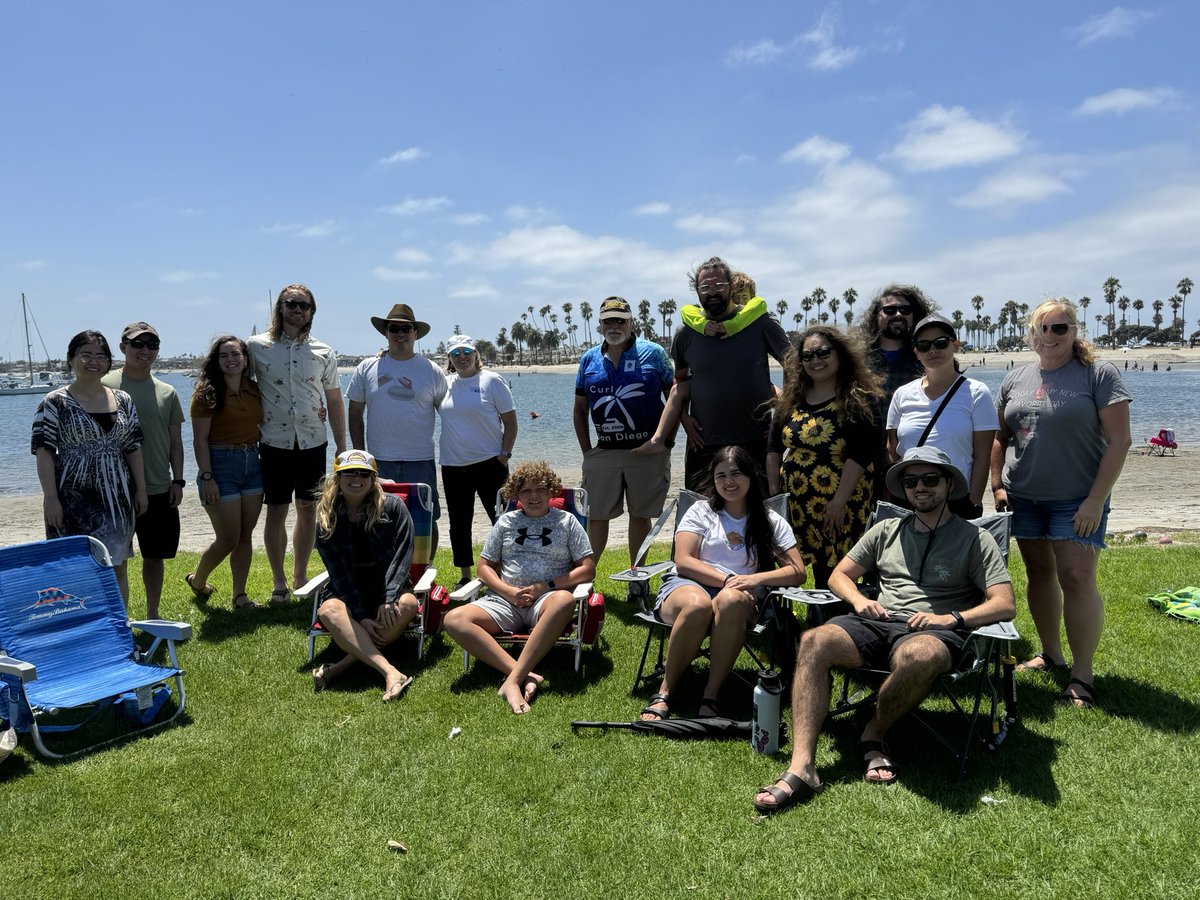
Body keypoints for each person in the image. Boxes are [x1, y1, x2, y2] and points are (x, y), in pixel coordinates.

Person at [753, 447, 1014, 813]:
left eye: (929, 479)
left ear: (949, 483)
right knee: (814, 640)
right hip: (877, 621)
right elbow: (839, 576)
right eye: (910, 481)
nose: (920, 488)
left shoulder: (974, 539)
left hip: (934, 630)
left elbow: (1004, 603)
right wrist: (859, 601)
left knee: (921, 655)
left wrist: (952, 619)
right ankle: (802, 766)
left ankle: (873, 731)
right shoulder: (886, 530)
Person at [991, 299, 1131, 709]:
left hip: (1077, 499)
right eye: (1043, 328)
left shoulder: (1098, 374)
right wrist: (996, 485)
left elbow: (1120, 441)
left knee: (1076, 578)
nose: (1051, 336)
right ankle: (1051, 652)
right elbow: (1002, 436)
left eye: (1061, 328)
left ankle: (1082, 673)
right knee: (1038, 573)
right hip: (1025, 496)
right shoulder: (1016, 377)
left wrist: (1094, 501)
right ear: (1031, 334)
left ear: (1074, 331)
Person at [639, 445, 806, 722]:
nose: (728, 482)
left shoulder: (769, 520)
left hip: (741, 597)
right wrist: (728, 579)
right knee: (697, 605)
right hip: (688, 585)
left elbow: (797, 571)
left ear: (751, 477)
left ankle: (711, 695)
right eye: (721, 476)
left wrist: (753, 580)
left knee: (731, 599)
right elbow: (684, 561)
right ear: (713, 480)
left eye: (736, 474)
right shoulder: (701, 512)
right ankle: (665, 691)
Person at [442, 461, 595, 715]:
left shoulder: (567, 521)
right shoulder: (505, 522)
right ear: (516, 494)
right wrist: (507, 591)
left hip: (544, 600)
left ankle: (512, 681)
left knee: (564, 601)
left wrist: (544, 586)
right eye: (526, 491)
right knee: (454, 619)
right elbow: (483, 567)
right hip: (505, 601)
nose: (534, 496)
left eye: (540, 489)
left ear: (551, 492)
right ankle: (523, 674)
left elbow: (587, 568)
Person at [32, 331, 148, 601]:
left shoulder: (123, 400)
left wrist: (140, 490)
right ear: (71, 359)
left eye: (100, 355)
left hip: (117, 496)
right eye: (86, 354)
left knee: (118, 565)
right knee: (74, 567)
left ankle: (118, 628)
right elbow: (44, 452)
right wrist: (50, 498)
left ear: (109, 361)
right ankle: (81, 630)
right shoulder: (54, 402)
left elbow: (133, 447)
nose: (93, 361)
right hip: (72, 497)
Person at [247, 284, 346, 604]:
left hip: (313, 442)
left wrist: (342, 447)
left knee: (308, 510)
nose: (298, 310)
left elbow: (334, 400)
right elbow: (240, 389)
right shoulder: (256, 347)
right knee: (276, 511)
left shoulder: (324, 351)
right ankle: (279, 583)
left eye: (305, 306)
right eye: (292, 304)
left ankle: (300, 576)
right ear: (280, 308)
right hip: (273, 441)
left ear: (312, 312)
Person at [767, 326, 884, 590]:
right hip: (798, 502)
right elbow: (773, 447)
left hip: (842, 501)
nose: (815, 360)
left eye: (822, 353)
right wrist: (776, 496)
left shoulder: (857, 398)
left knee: (837, 565)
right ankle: (806, 616)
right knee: (806, 563)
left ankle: (838, 619)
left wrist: (838, 501)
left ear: (840, 354)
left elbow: (862, 453)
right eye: (807, 356)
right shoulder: (792, 399)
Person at [668, 256, 790, 490]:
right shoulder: (685, 335)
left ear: (731, 287)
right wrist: (684, 418)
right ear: (697, 292)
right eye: (705, 287)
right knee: (701, 516)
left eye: (719, 286)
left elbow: (793, 364)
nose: (712, 292)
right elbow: (679, 381)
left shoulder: (760, 323)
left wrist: (785, 415)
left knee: (760, 516)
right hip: (703, 443)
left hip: (756, 439)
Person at [311, 450, 420, 702]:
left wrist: (390, 596)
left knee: (408, 604)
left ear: (373, 479)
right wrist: (359, 615)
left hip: (387, 587)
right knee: (328, 611)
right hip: (347, 589)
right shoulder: (327, 517)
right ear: (337, 478)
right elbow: (337, 570)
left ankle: (342, 665)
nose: (356, 479)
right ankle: (390, 671)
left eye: (364, 474)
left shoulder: (393, 506)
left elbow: (403, 555)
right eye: (349, 473)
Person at [573, 296, 674, 564]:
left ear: (631, 323)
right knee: (596, 517)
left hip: (646, 451)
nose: (614, 325)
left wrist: (666, 441)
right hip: (604, 452)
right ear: (600, 325)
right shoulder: (588, 360)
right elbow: (580, 410)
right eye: (608, 321)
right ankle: (587, 577)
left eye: (620, 320)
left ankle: (636, 577)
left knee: (640, 516)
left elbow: (674, 399)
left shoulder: (653, 353)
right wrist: (588, 452)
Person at [101, 322, 185, 618]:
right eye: (138, 344)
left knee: (154, 556)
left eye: (152, 345)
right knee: (115, 561)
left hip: (160, 487)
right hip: (113, 489)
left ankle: (152, 613)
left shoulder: (168, 392)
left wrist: (178, 480)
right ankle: (117, 619)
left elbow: (175, 442)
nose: (145, 350)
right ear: (123, 347)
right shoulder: (103, 384)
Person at [347, 303, 447, 548]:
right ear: (386, 332)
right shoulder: (366, 368)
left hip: (420, 459)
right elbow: (355, 413)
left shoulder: (431, 370)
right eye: (394, 328)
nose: (400, 334)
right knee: (377, 517)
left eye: (406, 328)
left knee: (425, 518)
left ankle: (424, 573)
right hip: (379, 459)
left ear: (415, 333)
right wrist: (361, 457)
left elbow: (450, 414)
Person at [887, 314, 996, 520]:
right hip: (910, 498)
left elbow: (983, 457)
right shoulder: (902, 394)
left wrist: (973, 501)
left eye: (941, 343)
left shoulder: (977, 392)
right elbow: (892, 451)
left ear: (955, 345)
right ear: (917, 352)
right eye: (925, 345)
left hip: (957, 499)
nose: (933, 350)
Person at [185, 335, 265, 611]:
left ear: (245, 359)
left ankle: (239, 595)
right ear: (216, 362)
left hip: (253, 463)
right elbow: (199, 440)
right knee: (228, 538)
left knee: (245, 535)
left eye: (236, 354)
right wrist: (207, 476)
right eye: (224, 355)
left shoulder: (255, 389)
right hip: (220, 465)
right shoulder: (206, 394)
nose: (231, 359)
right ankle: (198, 580)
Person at [439, 333, 517, 586]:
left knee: (503, 520)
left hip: (490, 464)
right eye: (455, 354)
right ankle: (464, 575)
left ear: (475, 354)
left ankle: (508, 573)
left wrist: (504, 456)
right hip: (453, 465)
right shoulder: (444, 384)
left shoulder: (492, 380)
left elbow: (511, 422)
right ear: (449, 358)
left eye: (466, 352)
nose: (462, 357)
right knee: (459, 523)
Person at [859, 284, 932, 408]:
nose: (898, 314)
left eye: (905, 310)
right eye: (889, 310)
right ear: (876, 316)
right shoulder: (857, 359)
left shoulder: (928, 357)